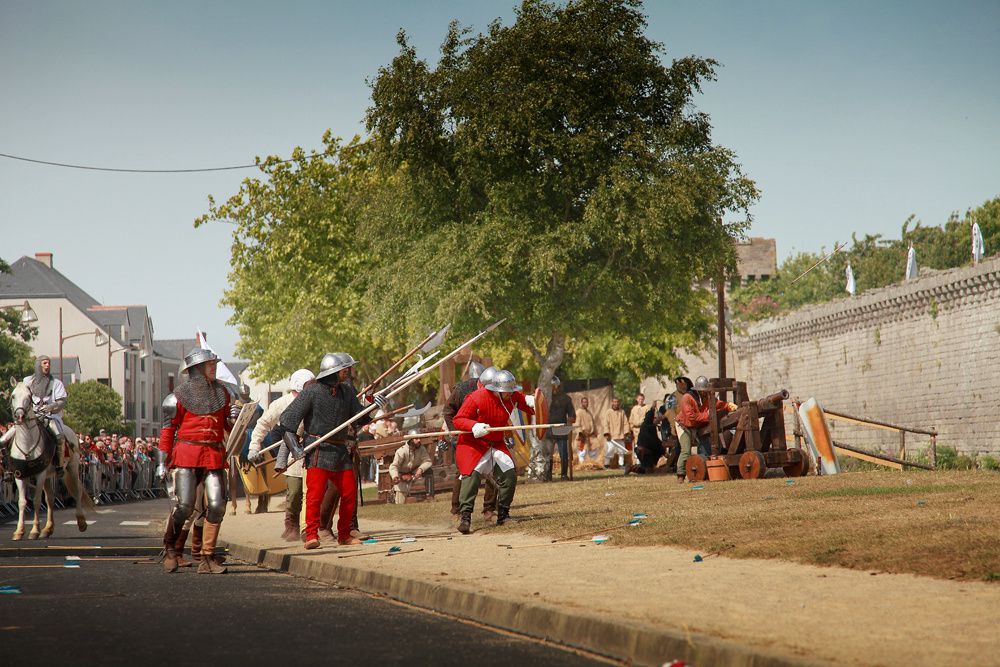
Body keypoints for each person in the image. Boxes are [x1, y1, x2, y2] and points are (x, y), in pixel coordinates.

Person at [274, 352, 387, 549]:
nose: (348, 372)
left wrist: (372, 407)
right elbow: (287, 420)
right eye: (346, 369)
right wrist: (295, 448)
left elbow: (358, 418)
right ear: (335, 371)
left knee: (349, 492)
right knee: (315, 495)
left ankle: (344, 534)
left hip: (340, 450)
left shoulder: (347, 392)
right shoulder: (312, 392)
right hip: (318, 449)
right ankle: (311, 534)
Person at [157, 348, 232, 574]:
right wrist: (162, 462)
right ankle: (171, 548)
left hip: (213, 454)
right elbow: (168, 431)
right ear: (196, 369)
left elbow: (229, 426)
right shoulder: (177, 397)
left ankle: (207, 557)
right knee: (185, 506)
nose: (214, 367)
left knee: (217, 505)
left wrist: (239, 418)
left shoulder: (223, 393)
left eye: (214, 363)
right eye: (209, 364)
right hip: (187, 453)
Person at [452, 369, 534, 534]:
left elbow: (529, 407)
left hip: (496, 442)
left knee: (509, 475)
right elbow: (458, 419)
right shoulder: (475, 398)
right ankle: (465, 517)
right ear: (495, 389)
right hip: (473, 444)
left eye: (511, 392)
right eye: (505, 392)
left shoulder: (512, 396)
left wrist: (533, 401)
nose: (509, 395)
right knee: (471, 477)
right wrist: (473, 426)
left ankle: (503, 515)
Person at [249, 368, 314, 542]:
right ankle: (291, 525)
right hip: (292, 452)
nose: (313, 387)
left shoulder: (315, 399)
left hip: (313, 450)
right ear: (300, 385)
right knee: (294, 492)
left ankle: (311, 528)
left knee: (312, 493)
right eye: (310, 384)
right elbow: (263, 424)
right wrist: (254, 446)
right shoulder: (282, 403)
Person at [442, 363, 499, 522]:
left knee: (493, 469)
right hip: (465, 436)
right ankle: (457, 510)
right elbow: (448, 411)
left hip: (486, 435)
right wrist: (455, 433)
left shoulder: (495, 392)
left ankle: (489, 510)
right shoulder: (462, 389)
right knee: (464, 473)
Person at [675, 376, 736, 483]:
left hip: (696, 425)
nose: (705, 393)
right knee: (686, 450)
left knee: (705, 444)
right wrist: (708, 415)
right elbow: (691, 417)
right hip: (683, 425)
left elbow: (716, 404)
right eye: (703, 391)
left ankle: (702, 470)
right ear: (698, 390)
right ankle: (681, 475)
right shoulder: (687, 398)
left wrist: (727, 405)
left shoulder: (705, 397)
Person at [23, 355, 77, 473]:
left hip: (49, 416)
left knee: (59, 436)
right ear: (38, 365)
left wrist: (50, 407)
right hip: (30, 416)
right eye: (45, 363)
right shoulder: (27, 381)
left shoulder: (56, 383)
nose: (48, 365)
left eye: (49, 363)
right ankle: (11, 466)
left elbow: (62, 401)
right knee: (11, 435)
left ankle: (59, 464)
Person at [388, 429, 433, 504]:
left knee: (429, 471)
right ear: (411, 440)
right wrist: (395, 476)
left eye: (419, 438)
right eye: (416, 438)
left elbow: (427, 461)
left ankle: (430, 495)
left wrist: (421, 469)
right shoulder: (401, 451)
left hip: (414, 472)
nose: (419, 440)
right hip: (402, 475)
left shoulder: (422, 449)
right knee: (400, 503)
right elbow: (394, 466)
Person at [547, 377, 576, 480]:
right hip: (548, 428)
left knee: (563, 454)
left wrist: (569, 422)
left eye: (553, 386)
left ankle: (564, 475)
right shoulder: (546, 399)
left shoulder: (566, 399)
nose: (552, 389)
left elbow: (572, 415)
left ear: (557, 386)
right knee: (548, 455)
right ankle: (548, 475)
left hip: (561, 429)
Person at [632, 404, 667, 474]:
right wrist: (662, 449)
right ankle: (631, 468)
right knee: (649, 470)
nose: (658, 421)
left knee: (649, 469)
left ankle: (635, 468)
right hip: (644, 451)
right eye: (656, 419)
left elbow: (655, 440)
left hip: (648, 450)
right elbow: (652, 442)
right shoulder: (647, 426)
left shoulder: (651, 427)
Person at [602, 397, 631, 469]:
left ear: (619, 403)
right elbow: (606, 423)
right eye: (614, 402)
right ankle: (606, 464)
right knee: (610, 450)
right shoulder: (608, 412)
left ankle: (621, 464)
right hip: (611, 436)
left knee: (621, 450)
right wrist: (607, 433)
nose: (616, 403)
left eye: (617, 402)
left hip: (620, 435)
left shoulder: (622, 412)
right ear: (612, 402)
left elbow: (625, 423)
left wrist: (626, 433)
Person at [574, 396, 598, 463]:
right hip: (582, 436)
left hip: (590, 435)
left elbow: (593, 423)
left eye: (587, 402)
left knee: (593, 450)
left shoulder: (589, 412)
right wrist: (581, 433)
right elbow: (577, 424)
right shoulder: (578, 412)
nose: (586, 403)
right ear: (581, 403)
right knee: (582, 452)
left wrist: (595, 432)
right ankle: (581, 465)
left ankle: (593, 464)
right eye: (584, 402)